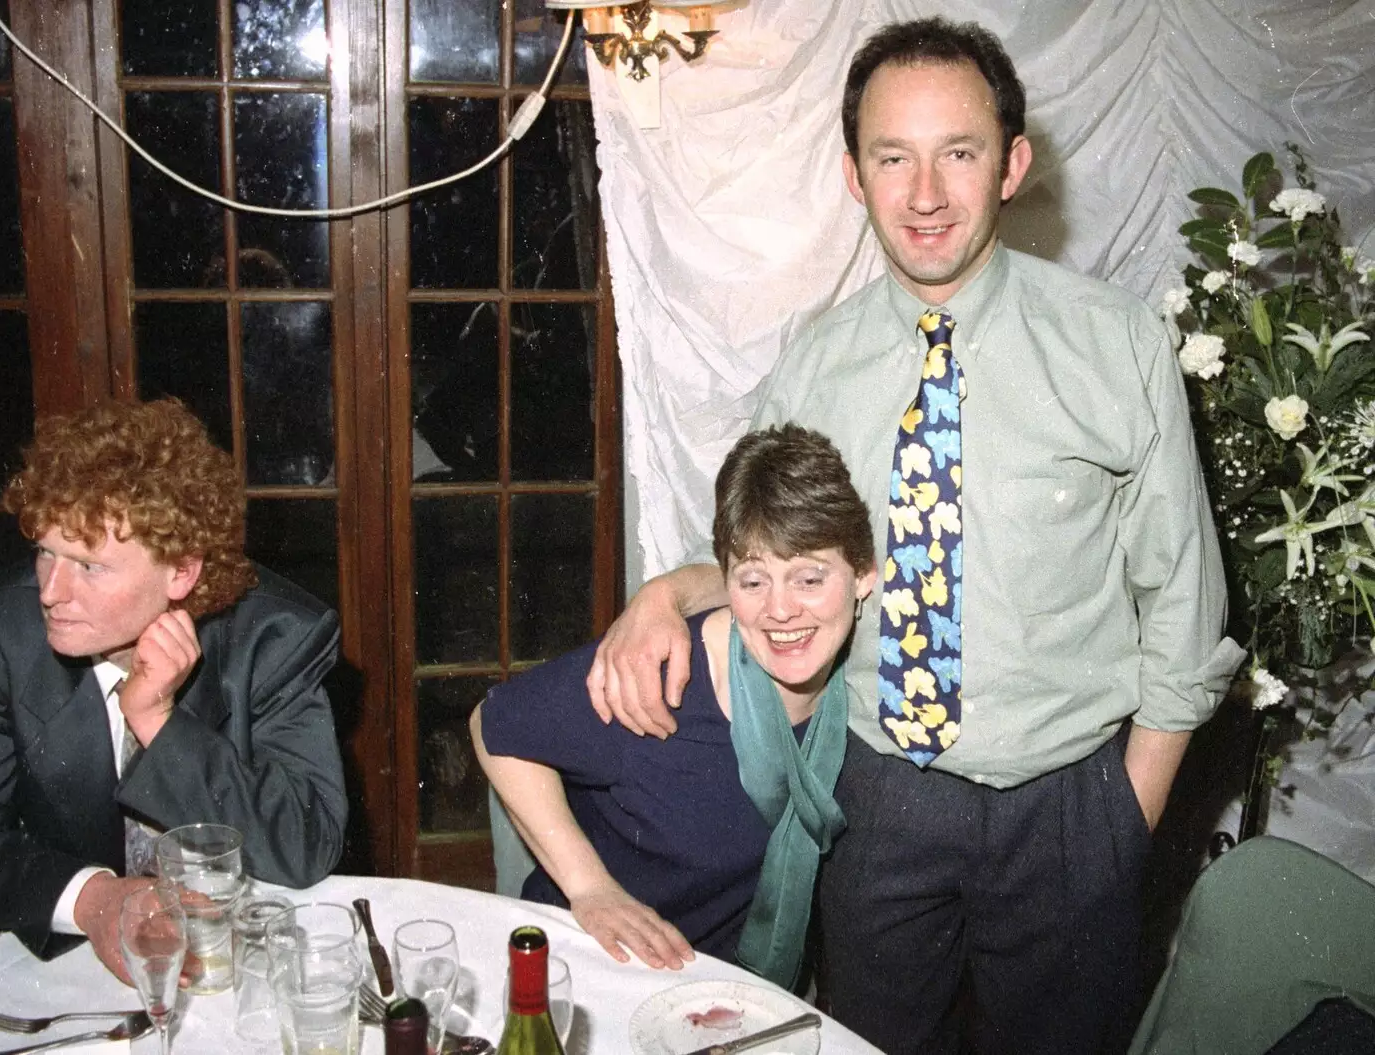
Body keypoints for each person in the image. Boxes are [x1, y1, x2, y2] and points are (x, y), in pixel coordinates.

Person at [585, 17, 1244, 1054]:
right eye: (893, 157)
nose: (925, 194)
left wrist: (1124, 818)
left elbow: (1185, 605)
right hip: (878, 799)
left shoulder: (1114, 344)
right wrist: (664, 594)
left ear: (1013, 165)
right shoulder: (816, 364)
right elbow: (777, 569)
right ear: (855, 174)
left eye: (959, 153)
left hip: (1070, 805)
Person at [0, 398, 347, 983]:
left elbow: (306, 843)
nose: (52, 592)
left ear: (181, 572)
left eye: (90, 567)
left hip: (236, 957)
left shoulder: (276, 639)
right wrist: (94, 900)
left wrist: (158, 721)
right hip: (61, 962)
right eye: (44, 553)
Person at [472, 424, 876, 989]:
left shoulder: (863, 689)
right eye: (753, 581)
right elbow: (494, 724)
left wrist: (675, 587)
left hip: (723, 992)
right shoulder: (664, 678)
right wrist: (591, 887)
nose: (781, 610)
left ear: (864, 577)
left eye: (809, 577)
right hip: (594, 969)